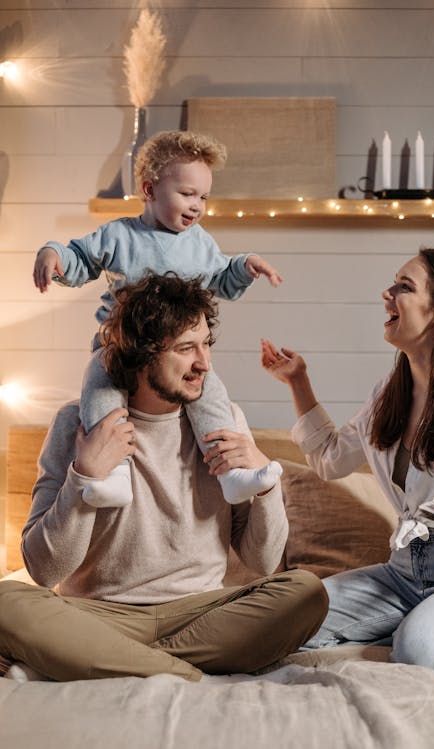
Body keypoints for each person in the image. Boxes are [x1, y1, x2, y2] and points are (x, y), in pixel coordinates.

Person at [0, 273, 327, 683]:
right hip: (100, 615)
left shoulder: (227, 424)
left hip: (202, 612)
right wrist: (84, 478)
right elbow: (45, 571)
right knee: (4, 601)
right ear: (142, 356)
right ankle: (182, 673)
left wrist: (265, 482)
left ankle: (112, 662)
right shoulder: (76, 424)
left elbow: (262, 564)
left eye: (206, 344)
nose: (204, 364)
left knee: (306, 591)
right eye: (185, 348)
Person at [261, 247, 434, 672]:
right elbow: (331, 460)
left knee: (422, 651)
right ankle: (421, 621)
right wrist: (298, 382)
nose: (386, 294)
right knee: (280, 622)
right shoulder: (389, 393)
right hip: (403, 572)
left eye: (404, 287)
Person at [32, 129, 283, 508]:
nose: (197, 205)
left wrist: (245, 267)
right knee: (99, 392)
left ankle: (231, 474)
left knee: (212, 396)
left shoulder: (200, 243)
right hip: (121, 347)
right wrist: (53, 254)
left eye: (203, 197)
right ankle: (111, 475)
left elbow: (221, 280)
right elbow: (80, 258)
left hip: (177, 355)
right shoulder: (119, 235)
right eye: (187, 193)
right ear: (149, 190)